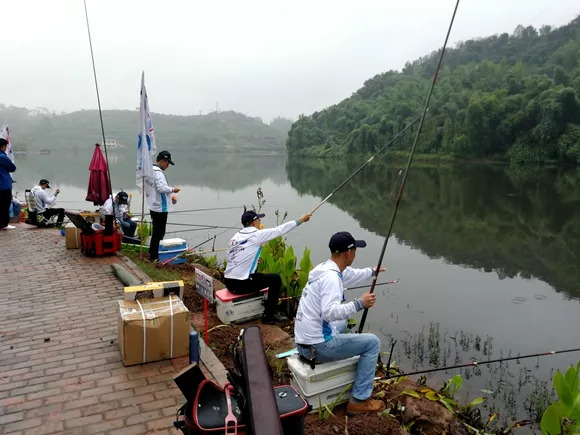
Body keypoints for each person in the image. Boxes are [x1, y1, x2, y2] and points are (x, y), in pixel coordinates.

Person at [294, 231, 386, 415]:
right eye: (355, 250)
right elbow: (329, 312)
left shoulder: (325, 268)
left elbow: (349, 275)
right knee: (372, 343)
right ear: (348, 252)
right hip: (317, 347)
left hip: (304, 341)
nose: (356, 253)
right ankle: (359, 400)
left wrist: (371, 271)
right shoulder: (331, 278)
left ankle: (343, 348)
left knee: (343, 321)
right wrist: (359, 303)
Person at [224, 209, 312, 324]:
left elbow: (231, 258)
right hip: (240, 285)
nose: (260, 221)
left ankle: (265, 307)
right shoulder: (256, 235)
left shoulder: (235, 238)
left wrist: (252, 261)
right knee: (275, 279)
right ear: (254, 222)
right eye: (258, 219)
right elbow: (279, 230)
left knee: (260, 276)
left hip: (229, 282)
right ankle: (269, 316)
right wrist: (301, 220)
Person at [145, 150, 180, 261]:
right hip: (160, 208)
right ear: (163, 161)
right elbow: (161, 188)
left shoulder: (150, 171)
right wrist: (173, 190)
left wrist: (171, 197)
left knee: (156, 231)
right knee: (159, 233)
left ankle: (152, 253)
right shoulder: (158, 173)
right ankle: (154, 257)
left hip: (153, 205)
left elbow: (156, 189)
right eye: (167, 163)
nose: (168, 166)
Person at [0, 138, 16, 230]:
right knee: (4, 205)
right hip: (3, 186)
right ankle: (4, 224)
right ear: (3, 146)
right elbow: (12, 168)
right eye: (5, 146)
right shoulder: (2, 157)